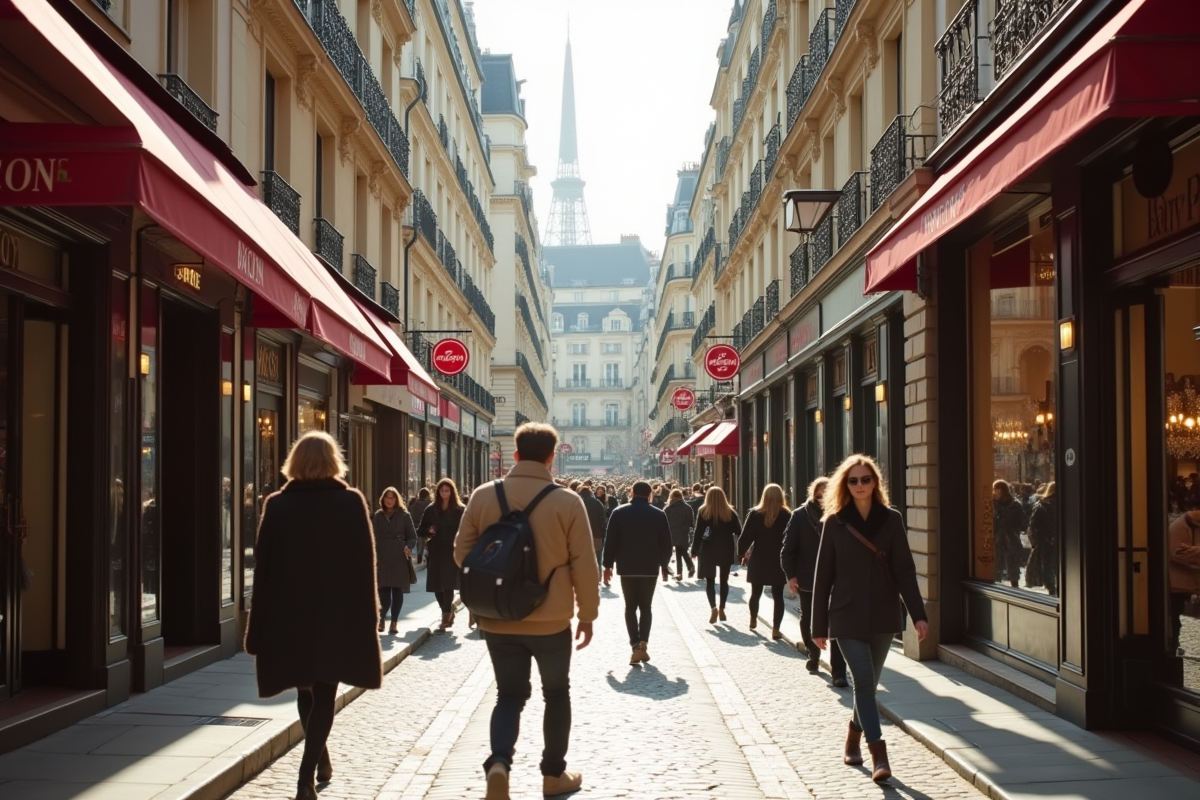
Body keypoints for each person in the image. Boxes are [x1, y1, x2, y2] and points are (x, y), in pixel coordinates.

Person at [455, 422, 600, 800]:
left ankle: (500, 761)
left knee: (508, 695)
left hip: (499, 618)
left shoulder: (484, 496)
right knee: (556, 693)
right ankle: (553, 775)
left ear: (515, 455)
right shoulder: (568, 501)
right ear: (552, 457)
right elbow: (585, 562)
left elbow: (461, 553)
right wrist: (588, 613)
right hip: (551, 621)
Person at [244, 432, 381, 800]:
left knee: (306, 689)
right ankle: (308, 775)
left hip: (290, 614)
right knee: (325, 690)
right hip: (337, 614)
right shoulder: (351, 502)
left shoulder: (277, 505)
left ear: (295, 461)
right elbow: (364, 566)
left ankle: (318, 761)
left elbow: (263, 567)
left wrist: (259, 622)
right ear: (334, 460)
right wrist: (371, 615)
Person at [812, 454, 929, 783]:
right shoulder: (834, 522)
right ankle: (879, 755)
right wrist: (818, 626)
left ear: (875, 482)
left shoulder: (891, 520)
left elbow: (905, 571)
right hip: (846, 614)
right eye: (853, 480)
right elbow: (823, 577)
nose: (860, 485)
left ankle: (852, 736)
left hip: (882, 611)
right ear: (845, 485)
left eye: (866, 479)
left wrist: (918, 616)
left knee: (869, 685)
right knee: (863, 682)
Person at [781, 477, 846, 684]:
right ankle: (814, 653)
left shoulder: (840, 515)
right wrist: (790, 575)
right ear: (813, 493)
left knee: (836, 624)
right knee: (809, 618)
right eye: (821, 492)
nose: (823, 496)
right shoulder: (799, 516)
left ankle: (838, 672)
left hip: (838, 578)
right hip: (809, 578)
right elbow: (787, 549)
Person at [603, 481, 673, 665]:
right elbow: (667, 543)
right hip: (650, 568)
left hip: (627, 568)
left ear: (631, 493)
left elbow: (610, 541)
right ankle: (644, 642)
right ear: (650, 494)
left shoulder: (619, 512)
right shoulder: (659, 514)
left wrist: (607, 566)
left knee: (630, 607)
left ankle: (635, 645)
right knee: (646, 607)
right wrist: (664, 565)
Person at [738, 483, 791, 640]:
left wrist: (741, 553)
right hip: (778, 561)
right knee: (778, 595)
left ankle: (753, 619)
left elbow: (745, 537)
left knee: (755, 593)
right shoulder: (787, 515)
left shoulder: (755, 514)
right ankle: (776, 629)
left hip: (759, 559)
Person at [420, 478, 466, 632]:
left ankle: (445, 616)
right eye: (442, 490)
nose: (444, 493)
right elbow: (421, 530)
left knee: (448, 584)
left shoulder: (460, 510)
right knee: (436, 585)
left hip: (452, 551)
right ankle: (449, 609)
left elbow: (467, 530)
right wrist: (429, 530)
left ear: (452, 492)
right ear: (438, 492)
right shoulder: (431, 509)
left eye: (447, 490)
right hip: (436, 550)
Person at [691, 486, 742, 624]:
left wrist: (694, 550)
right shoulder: (730, 512)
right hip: (725, 549)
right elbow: (738, 531)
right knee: (724, 581)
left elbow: (698, 532)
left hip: (708, 549)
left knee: (710, 581)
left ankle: (713, 607)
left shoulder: (703, 511)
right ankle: (722, 608)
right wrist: (742, 551)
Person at [373, 487, 417, 635]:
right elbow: (372, 535)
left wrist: (407, 546)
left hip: (399, 556)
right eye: (387, 497)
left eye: (392, 497)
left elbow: (412, 536)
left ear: (396, 499)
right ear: (383, 499)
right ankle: (381, 618)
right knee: (383, 590)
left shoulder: (404, 515)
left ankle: (394, 622)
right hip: (382, 556)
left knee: (397, 590)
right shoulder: (378, 516)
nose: (389, 500)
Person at [1169, 500, 1200, 656]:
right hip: (1179, 586)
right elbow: (1177, 553)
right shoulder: (1178, 527)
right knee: (1176, 618)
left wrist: (1192, 551)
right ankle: (1173, 648)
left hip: (1190, 583)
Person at [993, 480, 1027, 587]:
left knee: (1000, 564)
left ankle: (999, 585)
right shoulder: (1015, 504)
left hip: (1003, 537)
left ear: (999, 490)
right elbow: (1022, 522)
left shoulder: (994, 504)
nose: (994, 492)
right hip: (1011, 537)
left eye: (995, 490)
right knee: (1010, 564)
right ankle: (1013, 585)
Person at [1026, 482, 1058, 595]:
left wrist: (1035, 542)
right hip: (1058, 540)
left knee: (1047, 564)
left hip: (1045, 540)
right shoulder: (1068, 504)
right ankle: (1055, 586)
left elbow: (1033, 525)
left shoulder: (1041, 505)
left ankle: (1051, 587)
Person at [578, 481, 609, 582]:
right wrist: (602, 533)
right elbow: (603, 520)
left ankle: (583, 577)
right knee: (598, 558)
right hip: (596, 535)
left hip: (579, 536)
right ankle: (598, 577)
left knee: (581, 558)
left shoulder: (576, 502)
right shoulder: (596, 503)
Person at [665, 488, 696, 579]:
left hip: (672, 533)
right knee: (682, 551)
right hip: (684, 533)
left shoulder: (668, 508)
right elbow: (691, 522)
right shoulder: (687, 507)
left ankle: (681, 573)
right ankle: (690, 567)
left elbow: (664, 522)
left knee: (679, 551)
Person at [409, 487, 432, 564]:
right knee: (425, 542)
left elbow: (410, 511)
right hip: (425, 525)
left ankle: (419, 557)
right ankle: (425, 556)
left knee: (419, 542)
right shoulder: (428, 504)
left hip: (414, 524)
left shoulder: (414, 503)